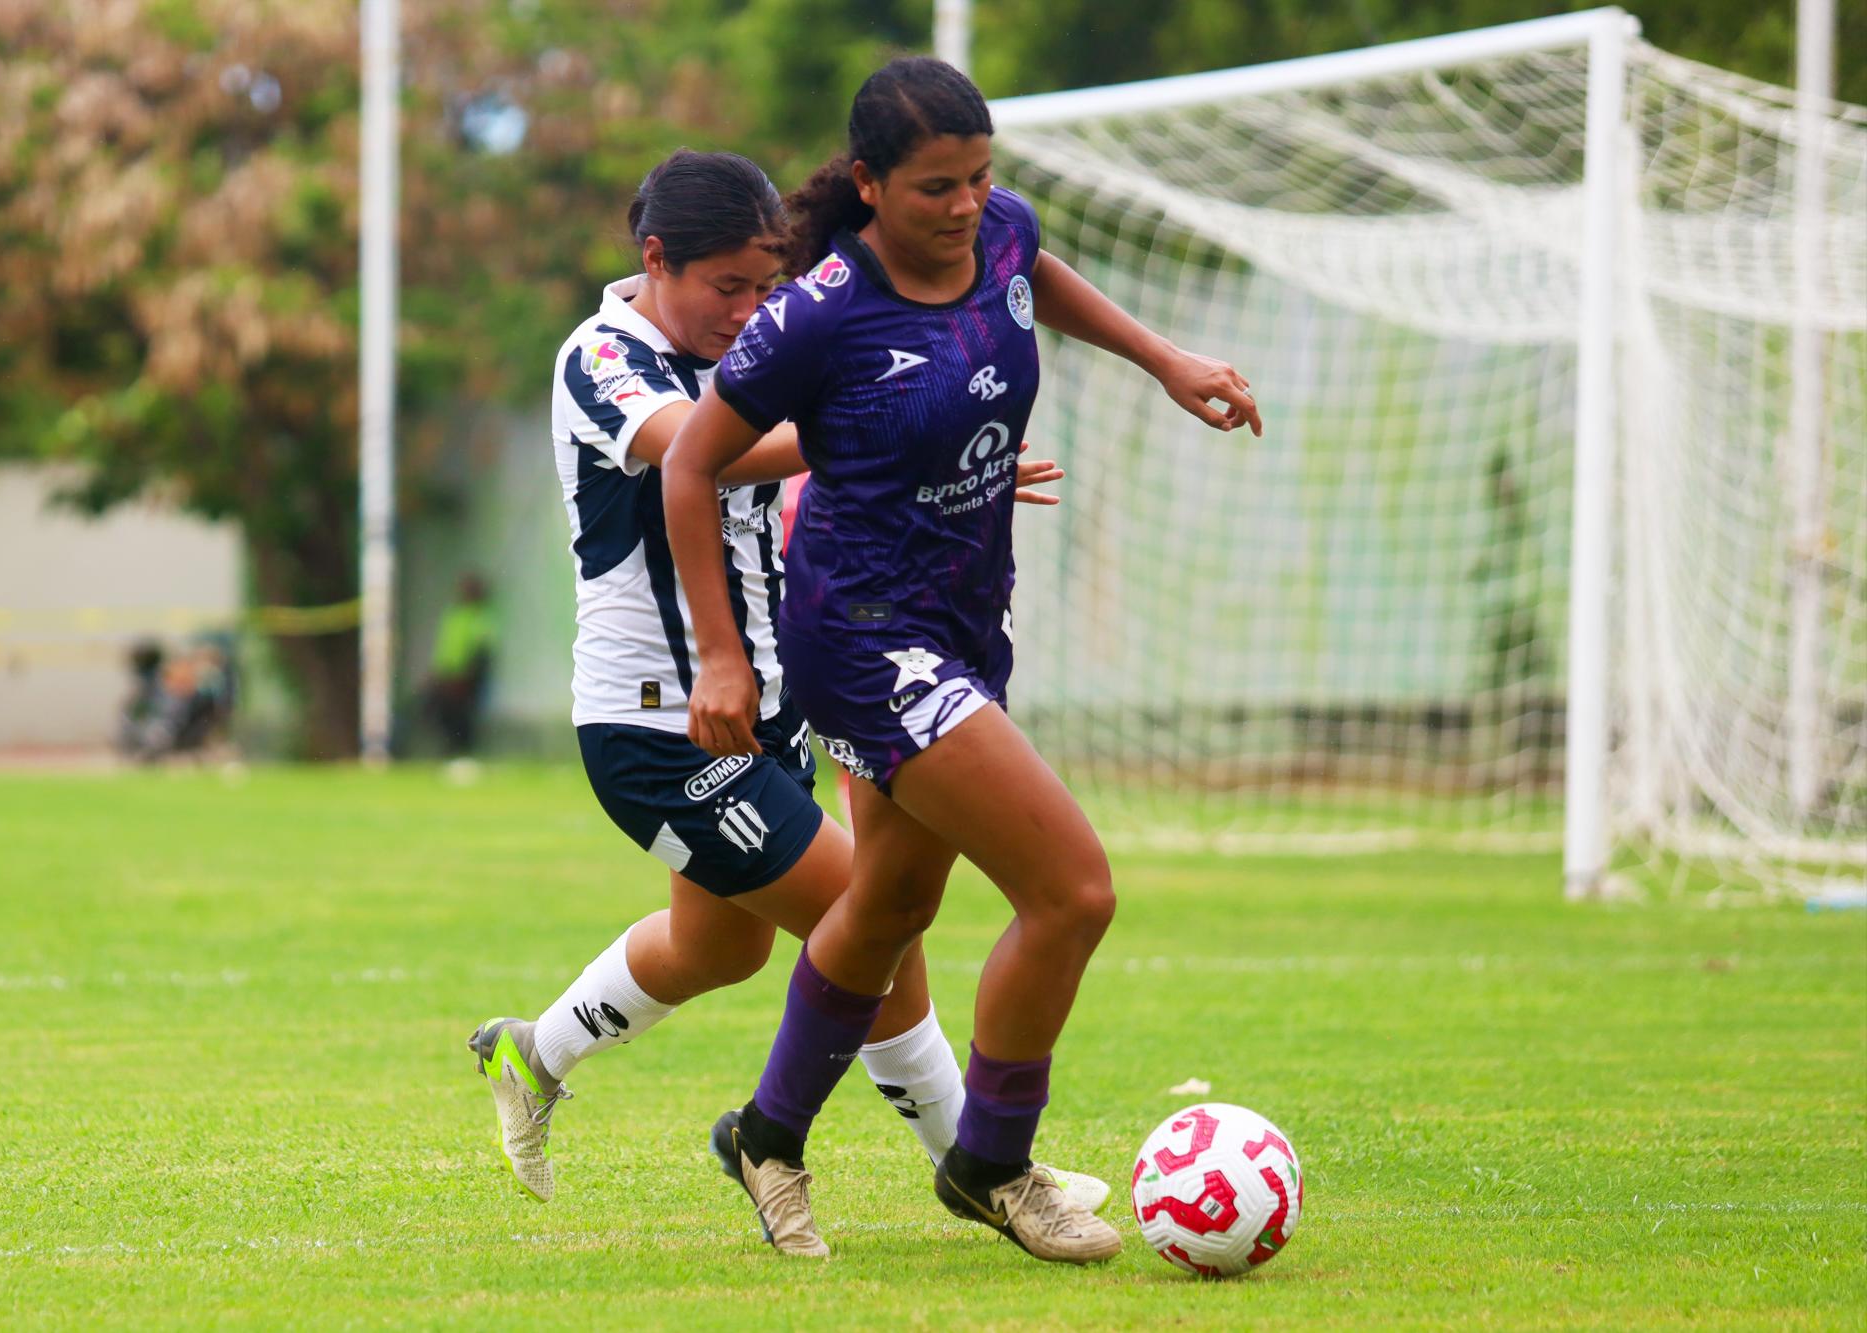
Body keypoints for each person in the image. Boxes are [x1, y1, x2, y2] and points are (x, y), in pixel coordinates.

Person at [663, 58, 1261, 1264]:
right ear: (873, 186)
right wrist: (720, 661)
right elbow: (691, 466)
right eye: (936, 185)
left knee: (888, 901)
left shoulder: (1000, 233)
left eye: (980, 178)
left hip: (967, 617)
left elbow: (1033, 275)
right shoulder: (819, 311)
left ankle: (765, 1138)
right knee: (1072, 891)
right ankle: (990, 1163)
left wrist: (1165, 360)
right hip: (860, 635)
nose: (964, 205)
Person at [466, 148, 1093, 1256]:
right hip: (658, 721)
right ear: (654, 260)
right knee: (873, 916)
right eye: (726, 287)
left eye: (766, 286)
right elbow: (703, 456)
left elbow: (815, 457)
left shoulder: (756, 338)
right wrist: (911, 436)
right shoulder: (602, 356)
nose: (749, 309)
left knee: (720, 950)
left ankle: (533, 1054)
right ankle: (982, 1164)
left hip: (771, 707)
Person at [423, 573, 496, 760]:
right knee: (439, 713)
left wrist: (466, 678)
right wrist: (439, 673)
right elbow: (446, 646)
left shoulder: (481, 615)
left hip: (467, 677)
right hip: (448, 675)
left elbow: (481, 650)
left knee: (462, 717)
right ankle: (451, 752)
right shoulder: (454, 613)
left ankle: (463, 754)